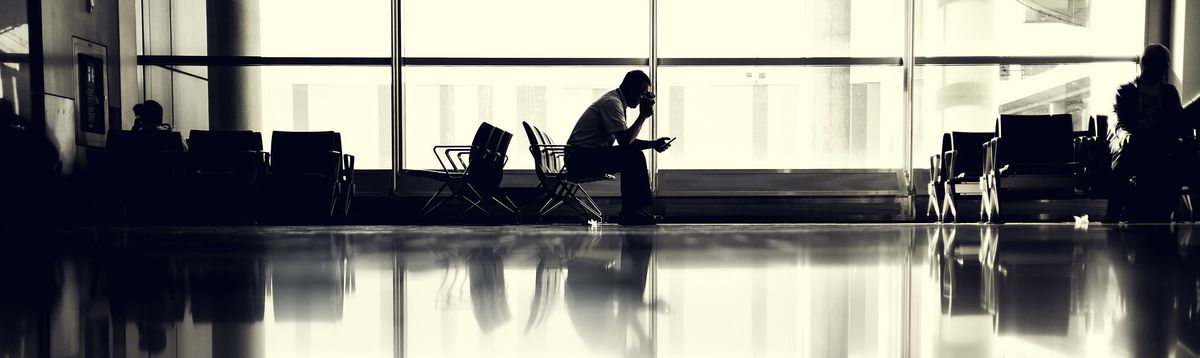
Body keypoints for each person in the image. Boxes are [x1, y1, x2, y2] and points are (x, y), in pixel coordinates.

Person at [565, 70, 672, 225]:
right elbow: (625, 141)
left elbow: (626, 141)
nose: (642, 97)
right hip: (579, 158)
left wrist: (653, 144)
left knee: (632, 155)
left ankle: (635, 211)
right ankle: (633, 212)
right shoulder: (612, 103)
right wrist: (642, 116)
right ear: (631, 88)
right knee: (633, 156)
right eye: (641, 93)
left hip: (581, 155)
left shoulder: (616, 101)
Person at [1107, 43, 1187, 222]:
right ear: (1146, 64)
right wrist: (1128, 135)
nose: (1164, 70)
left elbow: (1179, 121)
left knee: (1181, 153)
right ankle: (1113, 210)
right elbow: (1120, 123)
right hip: (1136, 141)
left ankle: (1168, 209)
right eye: (1161, 65)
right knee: (1130, 151)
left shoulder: (1169, 92)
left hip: (1161, 142)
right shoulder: (1126, 91)